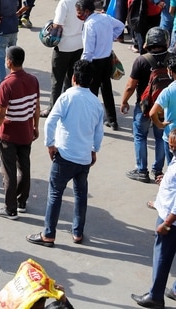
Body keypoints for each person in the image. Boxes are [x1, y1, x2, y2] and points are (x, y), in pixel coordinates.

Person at [26, 60, 104, 247]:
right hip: (84, 158)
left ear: (73, 78)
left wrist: (50, 144)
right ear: (91, 80)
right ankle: (77, 233)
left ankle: (49, 234)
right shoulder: (96, 103)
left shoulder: (66, 97)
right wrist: (94, 150)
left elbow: (51, 121)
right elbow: (98, 131)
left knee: (55, 194)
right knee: (80, 194)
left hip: (64, 156)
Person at [0, 46, 40, 217]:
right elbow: (36, 107)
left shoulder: (6, 84)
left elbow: (0, 113)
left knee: (9, 172)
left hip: (9, 134)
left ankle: (10, 208)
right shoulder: (33, 80)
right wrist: (35, 126)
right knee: (24, 167)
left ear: (9, 61)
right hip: (26, 132)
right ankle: (22, 201)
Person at [131, 128, 176, 309]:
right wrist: (166, 180)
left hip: (170, 220)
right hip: (168, 215)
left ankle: (155, 296)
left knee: (162, 257)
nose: (171, 149)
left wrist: (167, 223)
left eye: (173, 146)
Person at [121, 27, 168, 183]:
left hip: (145, 107)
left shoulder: (141, 60)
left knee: (140, 136)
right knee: (160, 137)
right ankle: (158, 171)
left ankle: (142, 171)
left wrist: (124, 101)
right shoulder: (172, 58)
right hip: (164, 107)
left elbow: (130, 86)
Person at [76, 0, 124, 130]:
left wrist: (81, 67)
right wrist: (110, 38)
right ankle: (112, 120)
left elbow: (88, 51)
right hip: (106, 59)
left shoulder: (89, 24)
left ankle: (91, 122)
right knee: (107, 89)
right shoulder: (105, 17)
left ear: (86, 11)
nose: (78, 15)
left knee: (91, 93)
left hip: (94, 62)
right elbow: (120, 26)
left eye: (79, 13)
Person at [40, 0, 83, 117]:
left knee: (57, 79)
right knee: (71, 78)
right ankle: (68, 106)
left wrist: (50, 27)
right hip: (79, 44)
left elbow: (57, 24)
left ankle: (52, 108)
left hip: (64, 46)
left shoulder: (64, 3)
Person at [0, 0, 33, 95]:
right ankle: (16, 83)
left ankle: (2, 86)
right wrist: (21, 11)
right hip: (13, 27)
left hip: (1, 29)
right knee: (14, 58)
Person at [150, 57, 176, 163]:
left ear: (170, 71)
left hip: (172, 137)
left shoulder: (168, 91)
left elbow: (152, 113)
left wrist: (160, 125)